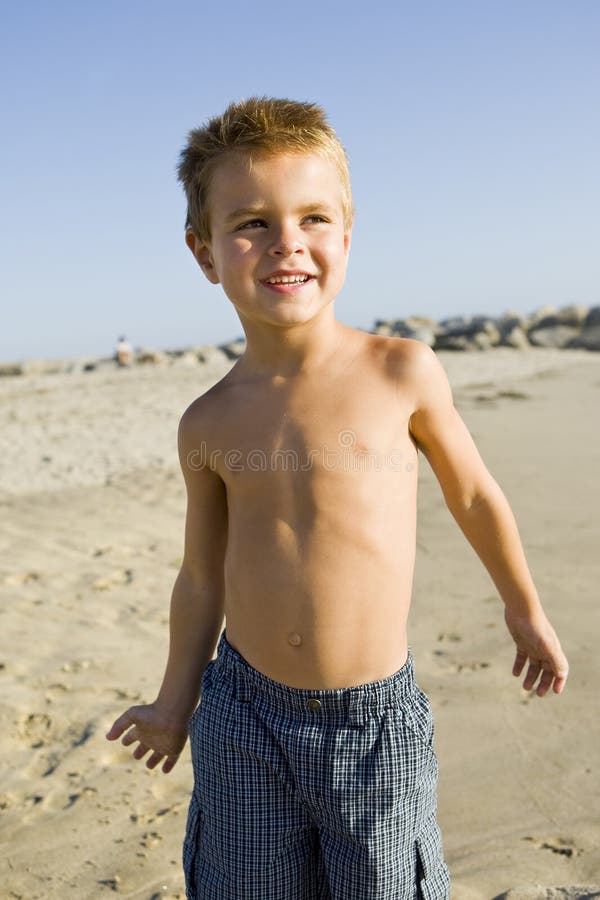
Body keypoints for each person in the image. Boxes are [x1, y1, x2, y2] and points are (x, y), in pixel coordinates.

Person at [106, 97, 568, 899]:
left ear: (346, 235)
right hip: (243, 715)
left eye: (313, 217)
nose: (287, 241)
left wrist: (523, 607)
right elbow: (201, 579)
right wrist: (174, 703)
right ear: (205, 252)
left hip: (373, 724)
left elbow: (474, 494)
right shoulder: (208, 422)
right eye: (250, 222)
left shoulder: (402, 372)